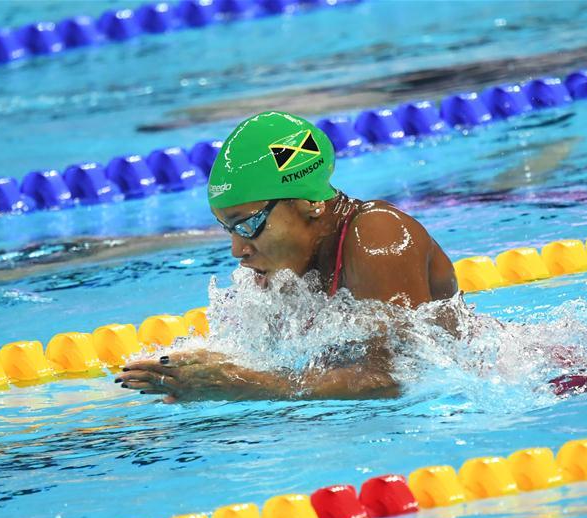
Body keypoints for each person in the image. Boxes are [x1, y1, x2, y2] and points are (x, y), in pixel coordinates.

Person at [119, 111, 458, 401]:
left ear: (307, 203)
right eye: (229, 230)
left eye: (249, 224)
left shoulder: (377, 235)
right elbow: (276, 361)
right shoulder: (291, 270)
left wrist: (241, 385)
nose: (238, 250)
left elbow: (394, 378)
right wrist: (199, 370)